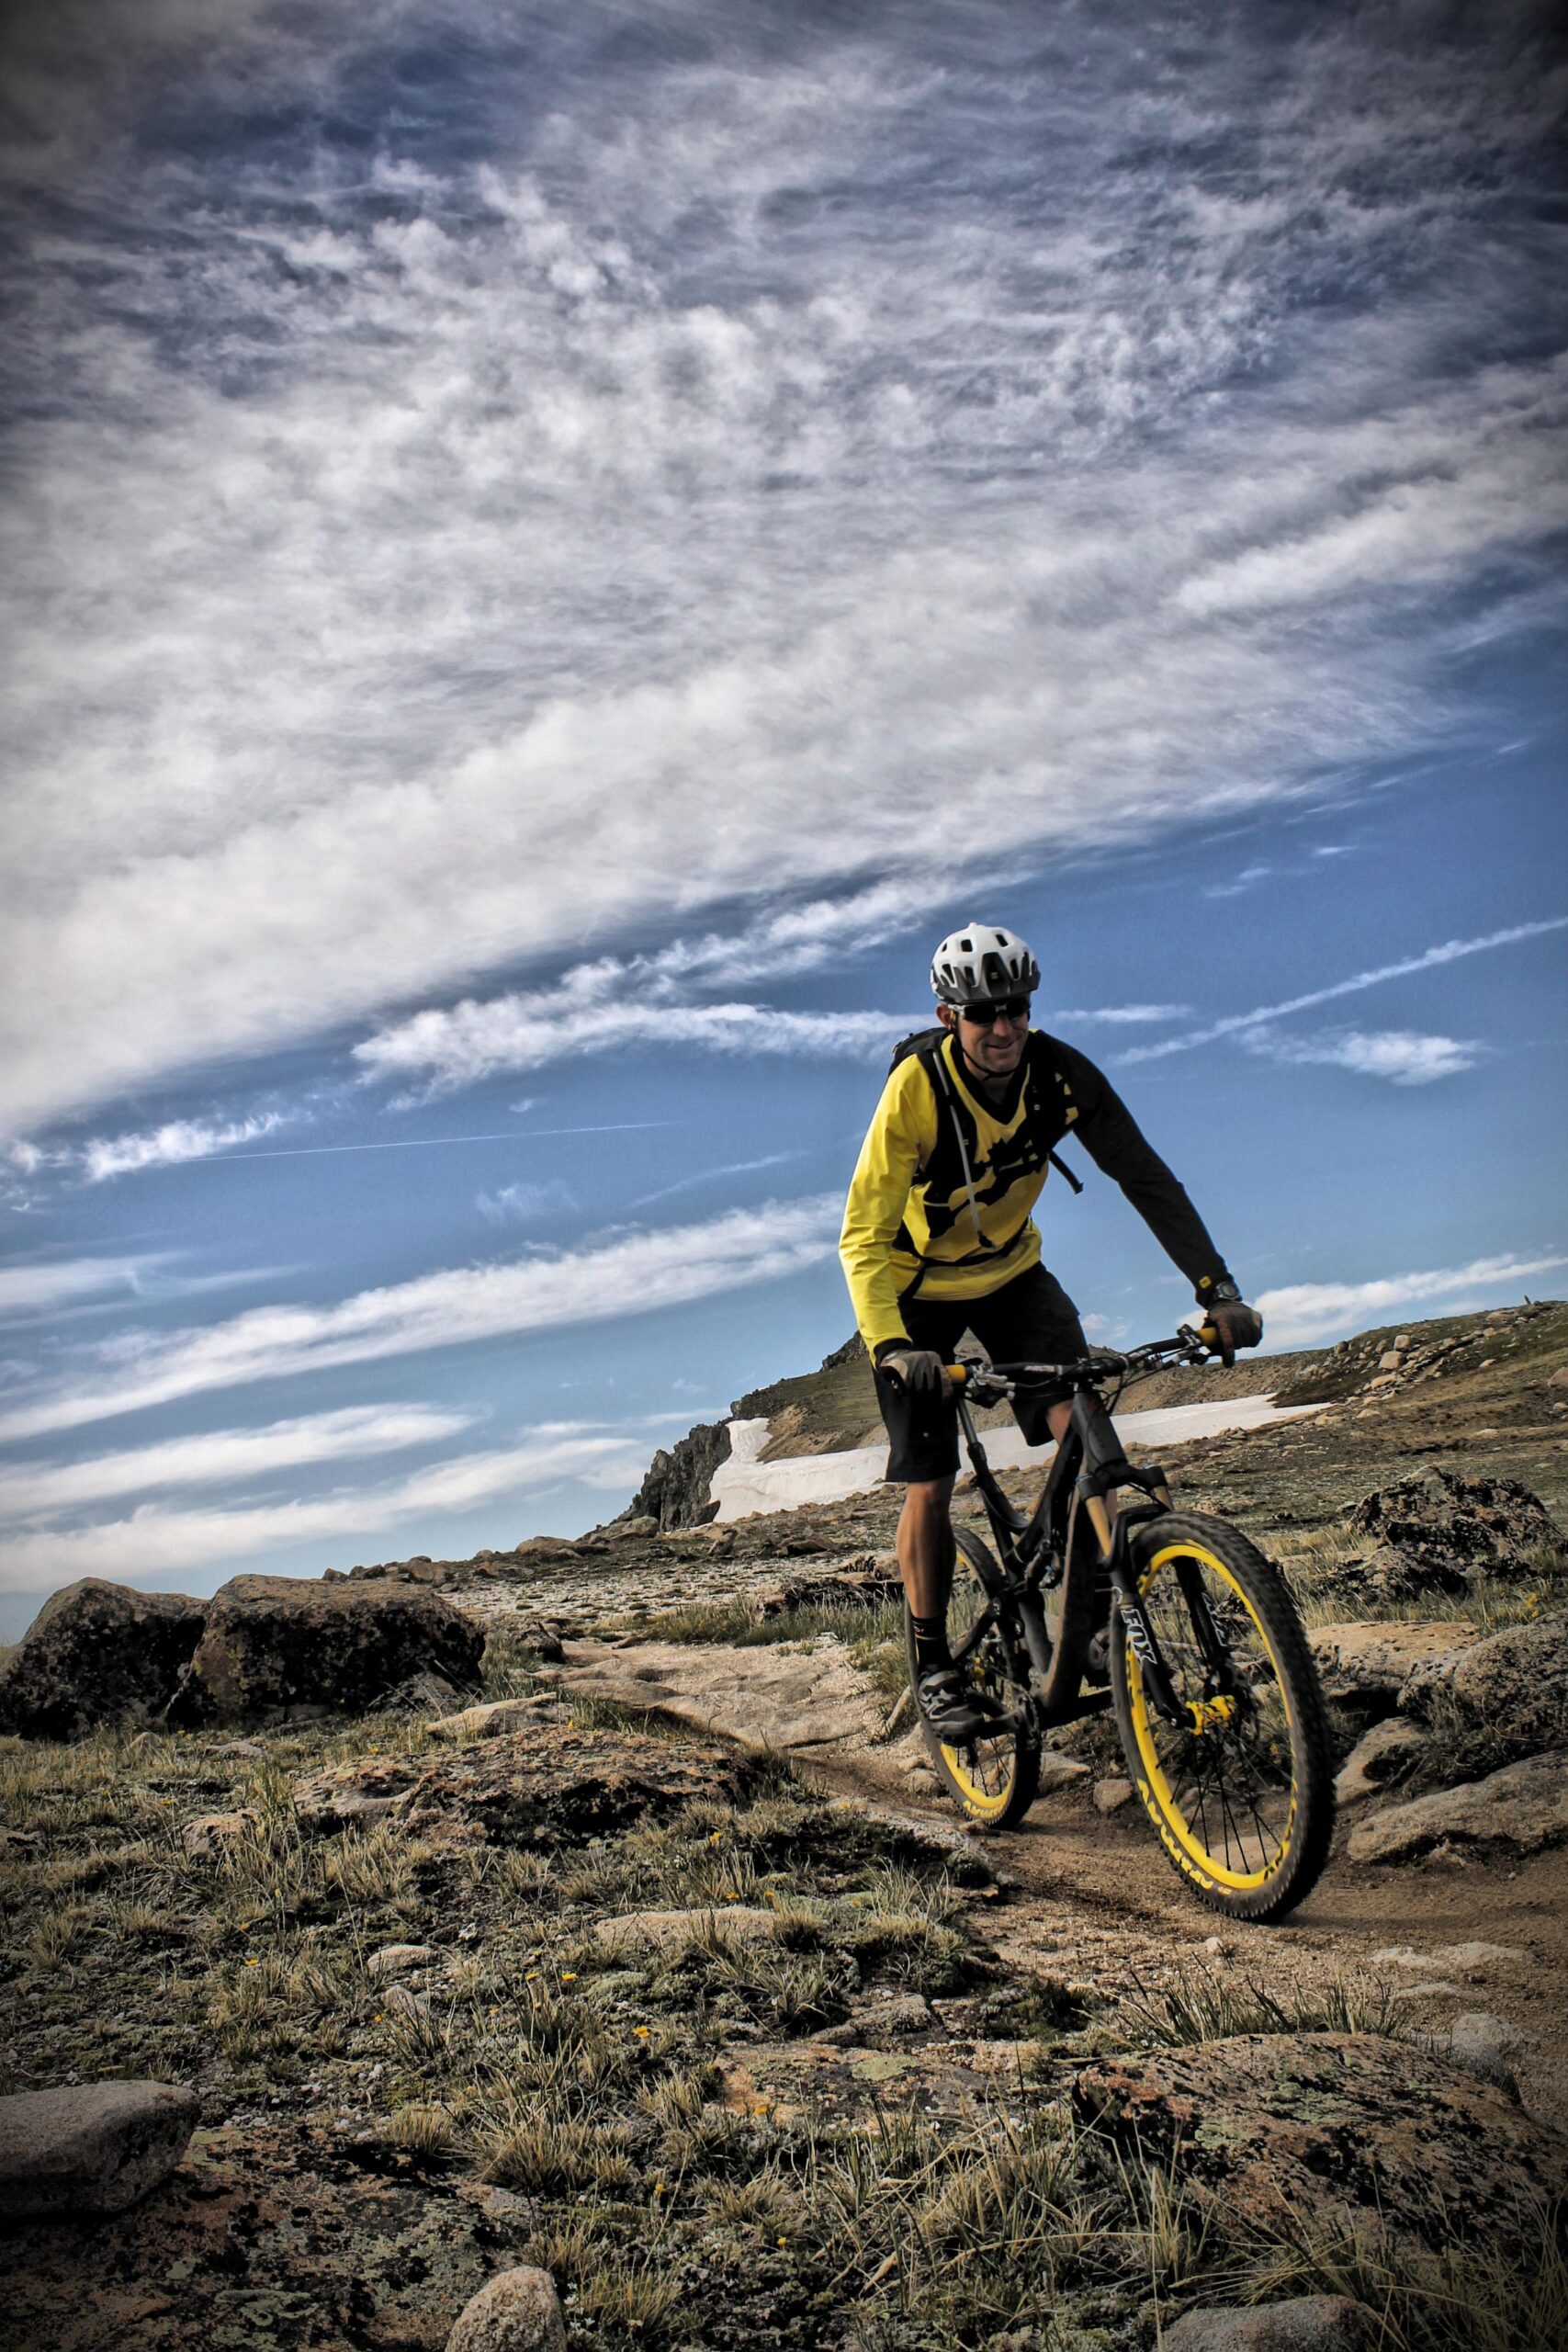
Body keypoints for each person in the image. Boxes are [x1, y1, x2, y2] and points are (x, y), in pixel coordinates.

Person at [839, 921, 1262, 1742]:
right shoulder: (917, 1090)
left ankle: (1105, 1609)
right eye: (982, 1012)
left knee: (1086, 1422)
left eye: (1017, 1009)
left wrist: (1216, 1289)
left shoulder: (1061, 1077)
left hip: (1010, 1279)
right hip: (914, 1290)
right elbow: (861, 1233)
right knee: (928, 1480)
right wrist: (893, 1348)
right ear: (947, 1014)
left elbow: (1143, 1175)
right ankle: (933, 1666)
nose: (1001, 1028)